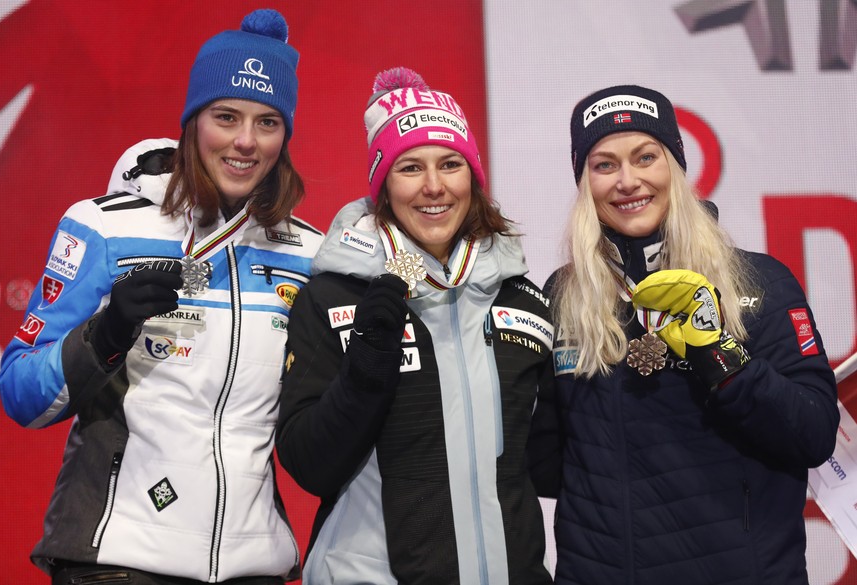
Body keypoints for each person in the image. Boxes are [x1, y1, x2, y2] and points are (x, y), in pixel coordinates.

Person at [0, 8, 322, 584]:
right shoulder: (103, 228)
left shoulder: (308, 253)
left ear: (286, 134)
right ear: (194, 121)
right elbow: (23, 395)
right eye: (226, 117)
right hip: (121, 559)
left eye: (267, 123)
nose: (245, 142)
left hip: (255, 564)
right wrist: (106, 335)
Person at [528, 84, 840, 584]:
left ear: (674, 166)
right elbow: (548, 468)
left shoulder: (757, 283)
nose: (627, 181)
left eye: (645, 157)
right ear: (585, 183)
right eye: (604, 164)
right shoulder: (566, 297)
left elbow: (814, 434)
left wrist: (720, 353)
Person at [275, 67, 554, 585]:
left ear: (472, 176)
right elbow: (310, 466)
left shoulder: (524, 300)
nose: (434, 187)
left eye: (451, 164)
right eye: (409, 167)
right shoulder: (336, 297)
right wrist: (367, 366)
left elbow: (547, 462)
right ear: (382, 184)